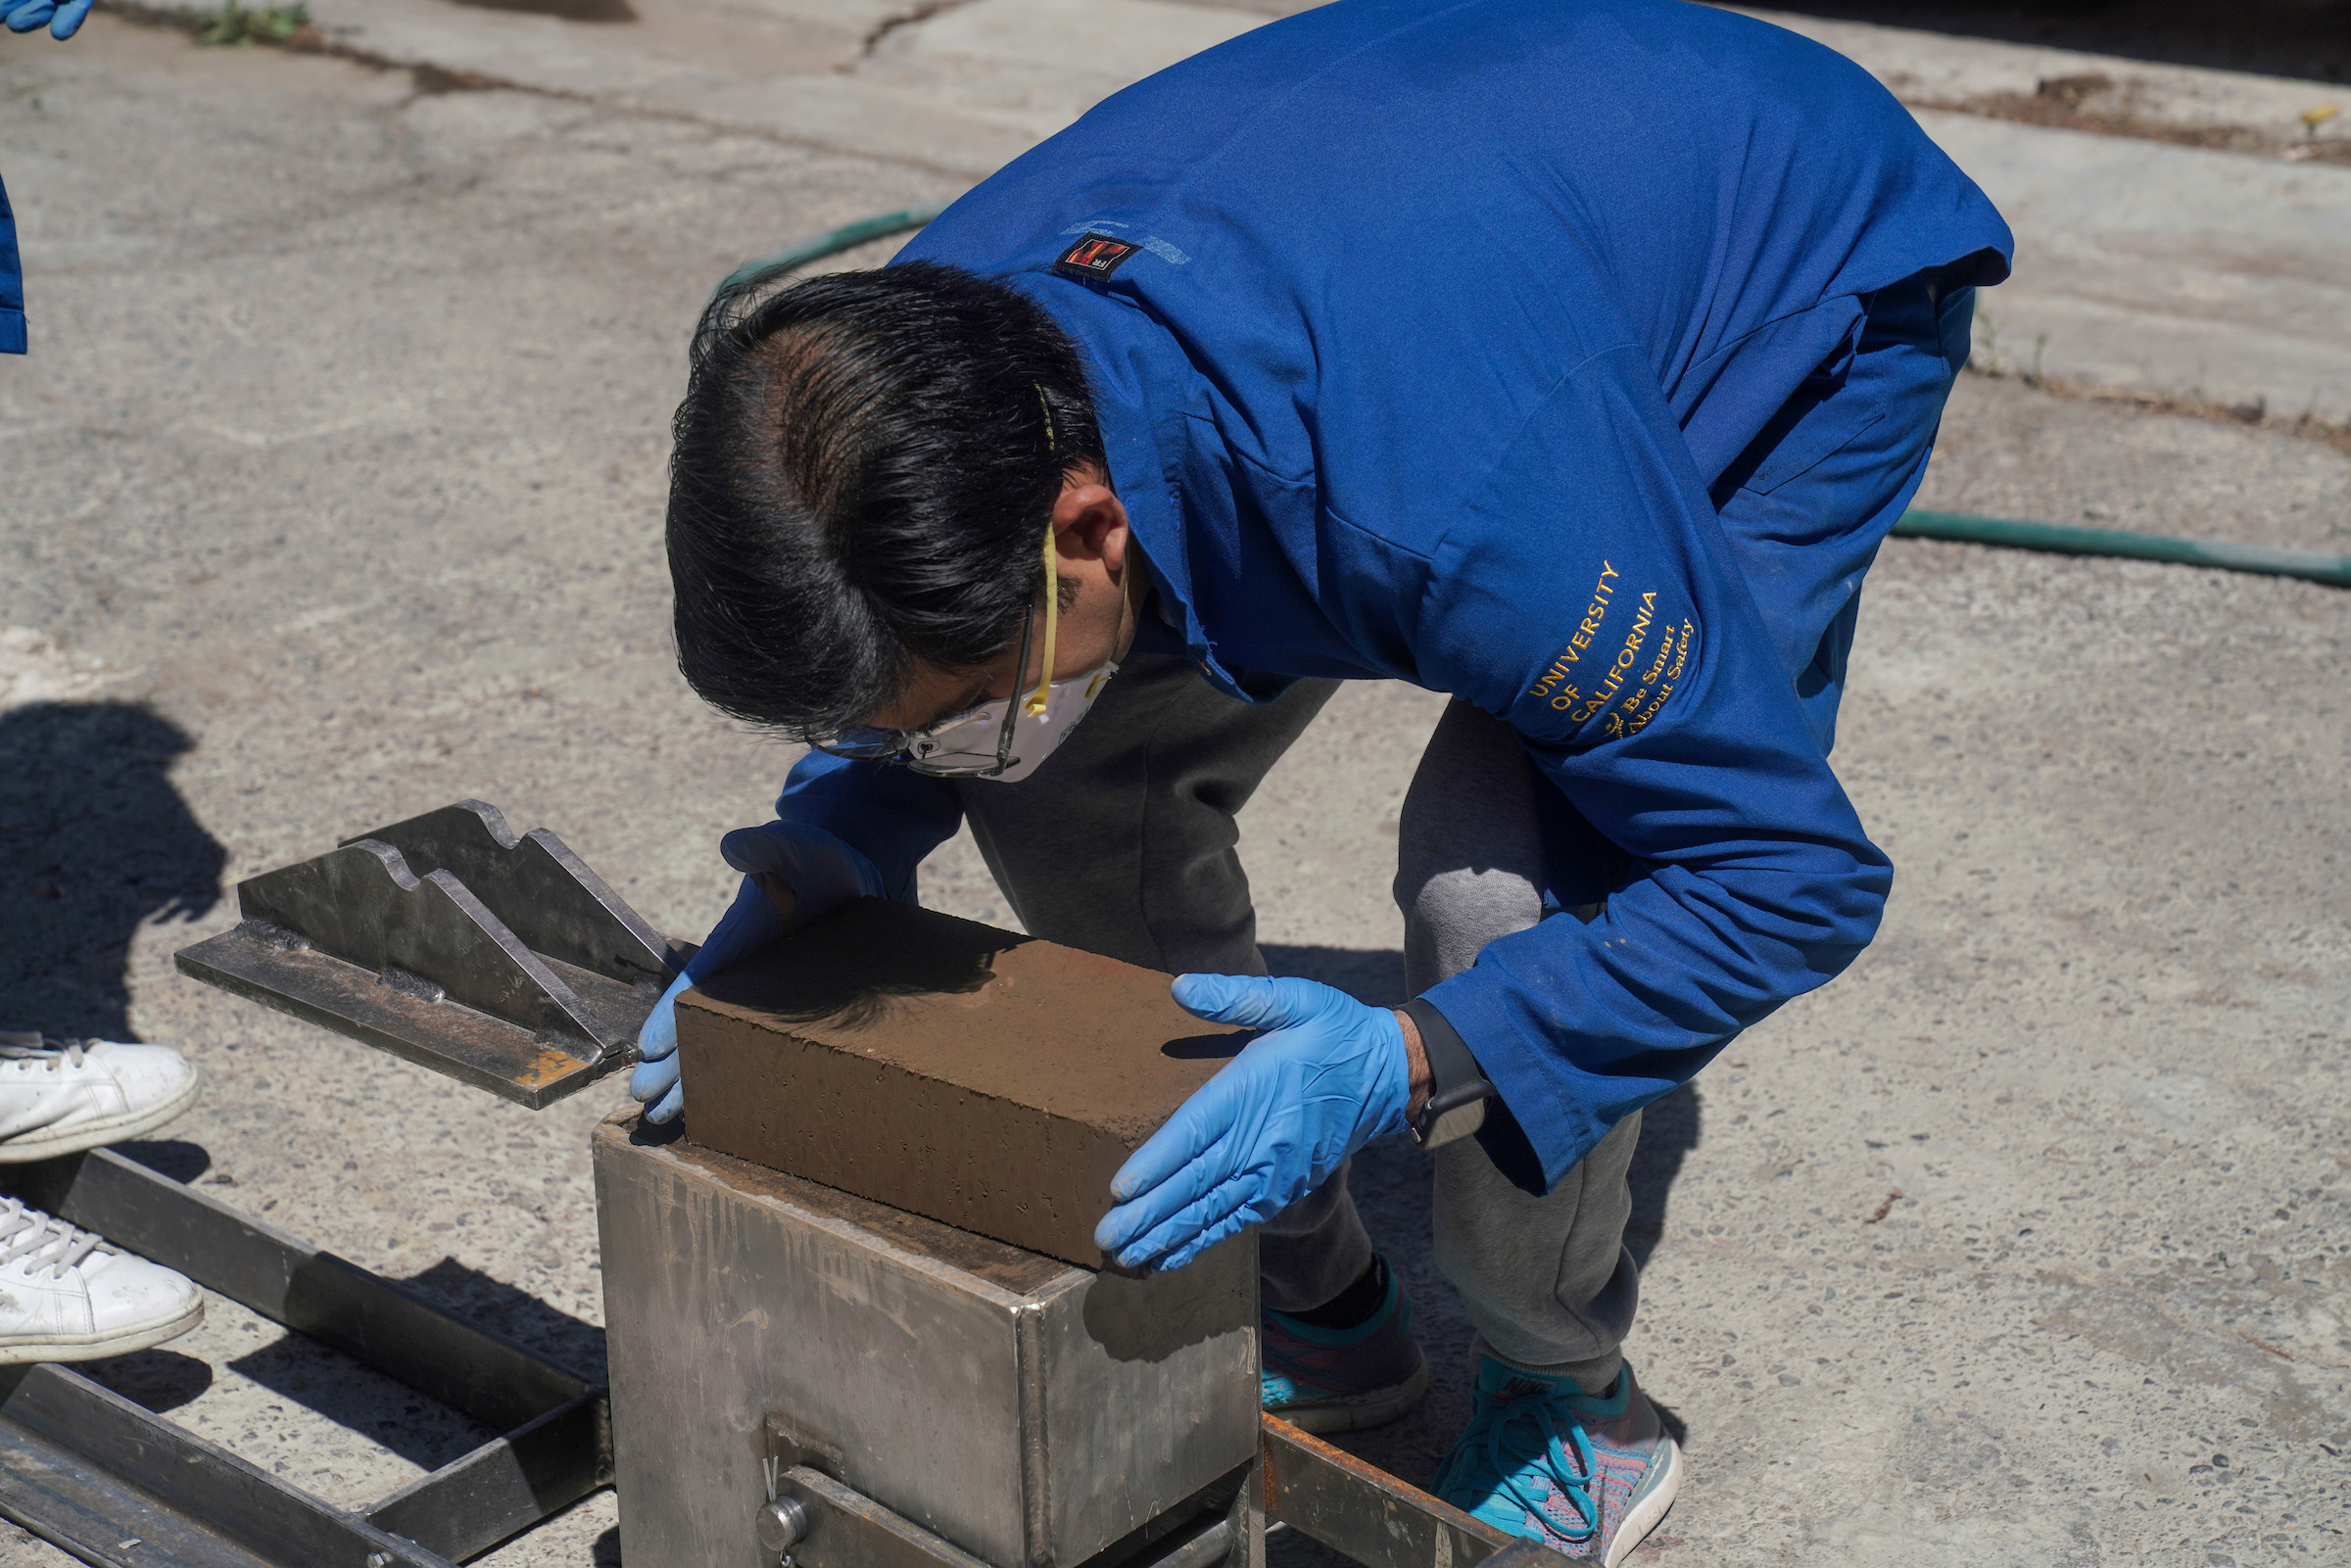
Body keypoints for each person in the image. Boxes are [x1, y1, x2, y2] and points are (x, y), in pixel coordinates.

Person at [631, 0, 2010, 1556]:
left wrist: (1412, 1065)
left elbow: (1784, 877)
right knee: (1049, 767)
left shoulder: (1457, 502)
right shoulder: (918, 377)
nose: (931, 750)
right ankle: (1314, 1301)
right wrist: (842, 831)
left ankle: (1571, 1397)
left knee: (1509, 890)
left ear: (1089, 525)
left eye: (945, 717)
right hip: (1435, 214)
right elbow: (922, 665)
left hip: (1788, 261)